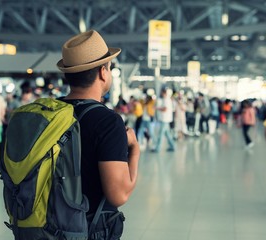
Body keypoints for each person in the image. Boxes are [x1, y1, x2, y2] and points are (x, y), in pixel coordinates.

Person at [56, 30, 140, 238]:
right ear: (103, 72)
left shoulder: (52, 113)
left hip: (44, 226)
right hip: (82, 229)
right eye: (109, 68)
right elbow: (119, 194)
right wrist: (135, 151)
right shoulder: (107, 122)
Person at [151, 88, 176, 152]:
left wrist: (156, 108)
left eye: (161, 93)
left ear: (164, 93)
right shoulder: (167, 99)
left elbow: (165, 109)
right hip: (166, 119)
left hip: (165, 120)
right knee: (167, 134)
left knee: (160, 134)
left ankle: (157, 148)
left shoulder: (166, 100)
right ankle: (172, 146)